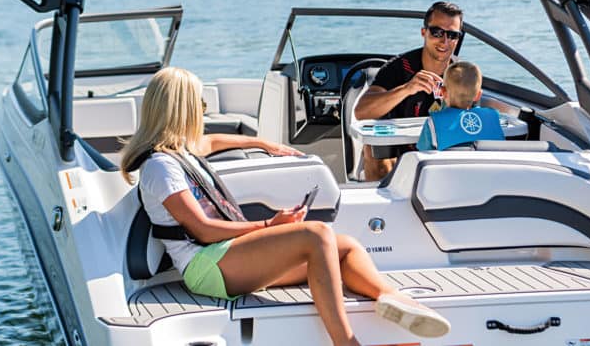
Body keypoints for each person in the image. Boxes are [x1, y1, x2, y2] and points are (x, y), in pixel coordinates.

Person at [120, 67, 450, 346]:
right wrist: (269, 226)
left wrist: (263, 143)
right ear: (182, 108)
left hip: (224, 255)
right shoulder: (161, 166)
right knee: (316, 234)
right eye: (200, 103)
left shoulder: (180, 150)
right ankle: (346, 342)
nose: (203, 110)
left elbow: (212, 142)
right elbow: (203, 230)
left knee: (345, 247)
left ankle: (391, 297)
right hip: (204, 266)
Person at [354, 1, 463, 179]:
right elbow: (361, 111)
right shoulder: (399, 67)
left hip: (439, 156)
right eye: (437, 32)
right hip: (398, 156)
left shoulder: (461, 73)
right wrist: (406, 89)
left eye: (452, 35)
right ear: (423, 32)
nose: (445, 41)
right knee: (375, 152)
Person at [417, 61, 504, 150]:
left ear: (443, 92)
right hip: (490, 163)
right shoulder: (493, 117)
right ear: (478, 95)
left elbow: (423, 152)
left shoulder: (433, 123)